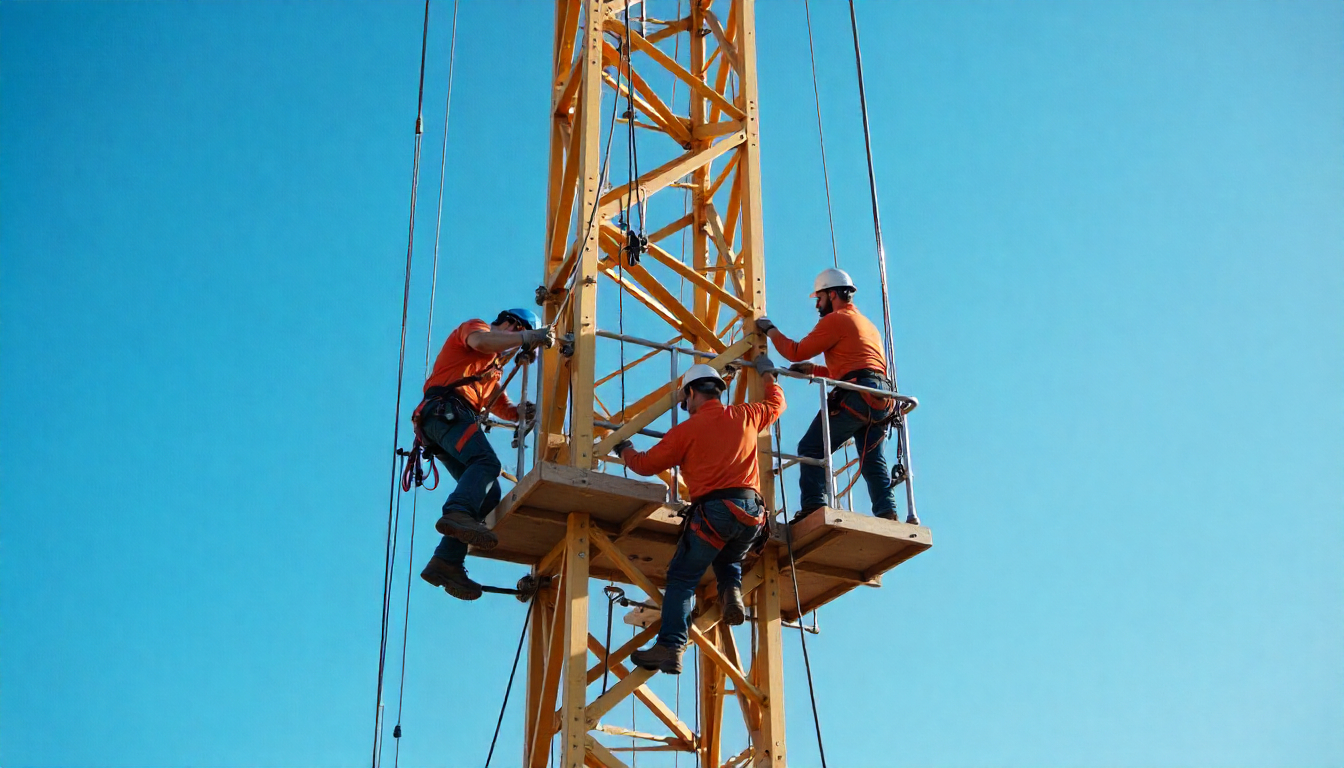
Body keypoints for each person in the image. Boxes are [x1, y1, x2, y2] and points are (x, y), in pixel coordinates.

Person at [615, 356, 785, 674]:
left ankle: (671, 647)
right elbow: (776, 404)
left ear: (691, 394)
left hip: (715, 513)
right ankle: (731, 592)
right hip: (752, 516)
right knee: (728, 555)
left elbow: (643, 465)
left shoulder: (686, 432)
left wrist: (623, 448)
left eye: (685, 401)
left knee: (682, 578)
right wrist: (768, 374)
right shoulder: (747, 414)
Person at [756, 268, 918, 524]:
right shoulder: (867, 324)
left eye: (819, 298)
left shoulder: (835, 320)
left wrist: (771, 330)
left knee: (810, 447)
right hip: (880, 398)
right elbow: (856, 366)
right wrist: (815, 370)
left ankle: (814, 506)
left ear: (832, 294)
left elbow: (795, 351)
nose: (818, 305)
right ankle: (888, 512)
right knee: (872, 459)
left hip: (856, 395)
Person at [416, 307, 555, 600]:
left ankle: (446, 561)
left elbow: (495, 401)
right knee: (486, 463)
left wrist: (517, 412)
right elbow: (480, 342)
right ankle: (457, 513)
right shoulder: (476, 327)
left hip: (446, 422)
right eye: (517, 335)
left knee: (489, 495)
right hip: (446, 412)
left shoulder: (492, 368)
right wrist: (529, 337)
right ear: (511, 323)